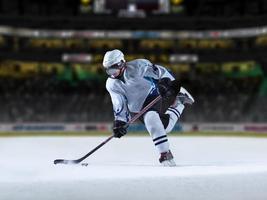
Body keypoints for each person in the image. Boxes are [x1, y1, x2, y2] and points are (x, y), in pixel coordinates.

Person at [103, 49, 194, 167]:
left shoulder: (138, 66)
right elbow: (119, 104)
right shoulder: (111, 84)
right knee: (163, 128)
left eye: (113, 68)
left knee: (151, 118)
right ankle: (180, 102)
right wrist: (120, 123)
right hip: (137, 108)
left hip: (151, 96)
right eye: (108, 69)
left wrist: (165, 83)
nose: (111, 72)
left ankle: (165, 154)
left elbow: (162, 72)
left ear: (121, 63)